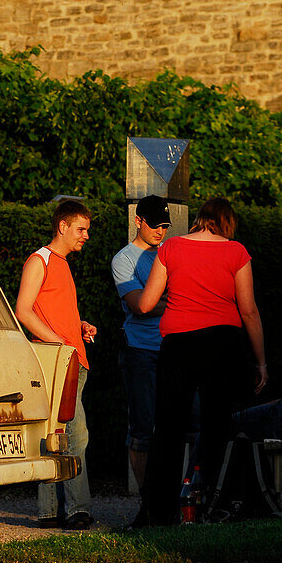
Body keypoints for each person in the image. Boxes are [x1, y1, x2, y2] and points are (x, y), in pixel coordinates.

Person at [135, 197, 267, 526]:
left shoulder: (171, 248)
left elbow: (147, 303)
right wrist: (261, 361)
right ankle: (213, 501)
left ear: (199, 218)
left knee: (167, 427)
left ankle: (158, 512)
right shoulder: (236, 252)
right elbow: (248, 310)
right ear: (227, 222)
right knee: (217, 424)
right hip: (223, 343)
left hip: (178, 344)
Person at [15, 199, 97, 529]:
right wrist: (59, 344)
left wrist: (79, 327)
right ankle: (78, 510)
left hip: (71, 359)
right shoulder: (41, 260)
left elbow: (52, 311)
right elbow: (23, 311)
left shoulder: (61, 263)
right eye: (81, 229)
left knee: (57, 434)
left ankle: (49, 513)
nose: (85, 236)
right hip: (60, 363)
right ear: (62, 226)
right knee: (77, 434)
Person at [111, 195, 171, 489]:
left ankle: (176, 496)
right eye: (155, 225)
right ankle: (147, 499)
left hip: (171, 347)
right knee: (143, 427)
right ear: (138, 221)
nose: (160, 231)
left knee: (184, 424)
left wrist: (162, 301)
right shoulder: (123, 259)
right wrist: (174, 301)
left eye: (165, 226)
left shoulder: (169, 252)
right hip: (140, 349)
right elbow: (139, 306)